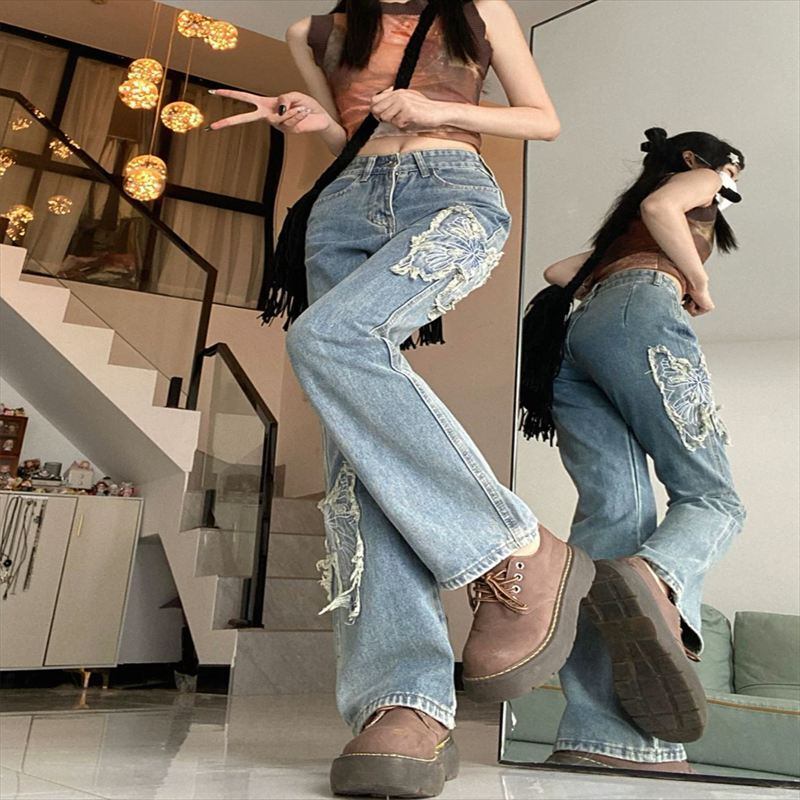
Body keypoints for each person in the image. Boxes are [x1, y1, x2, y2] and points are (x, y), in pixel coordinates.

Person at [207, 0, 595, 796]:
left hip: (449, 188)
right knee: (356, 465)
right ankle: (403, 700)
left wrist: (435, 109)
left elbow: (542, 119)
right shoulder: (315, 32)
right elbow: (347, 141)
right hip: (341, 208)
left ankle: (512, 548)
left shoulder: (478, 10)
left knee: (327, 338)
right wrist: (317, 119)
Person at [521, 127, 747, 771]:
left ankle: (599, 735)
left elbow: (558, 273)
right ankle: (659, 579)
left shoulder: (622, 228)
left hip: (578, 341)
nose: (732, 186)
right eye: (733, 172)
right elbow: (661, 206)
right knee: (713, 498)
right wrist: (698, 283)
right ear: (702, 160)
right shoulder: (700, 180)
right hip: (641, 311)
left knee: (615, 515)